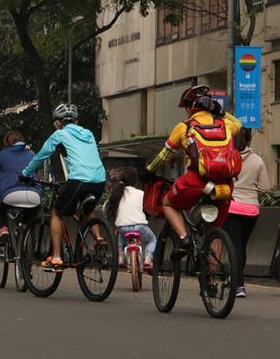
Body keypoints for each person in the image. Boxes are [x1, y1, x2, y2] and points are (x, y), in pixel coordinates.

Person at [145, 85, 243, 254]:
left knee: (168, 204)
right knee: (215, 232)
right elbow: (239, 124)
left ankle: (184, 239)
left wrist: (149, 170)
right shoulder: (225, 124)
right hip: (225, 185)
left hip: (196, 182)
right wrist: (221, 112)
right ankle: (213, 279)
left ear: (190, 108)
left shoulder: (184, 126)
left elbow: (165, 155)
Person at [21, 103, 107, 272]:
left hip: (78, 180)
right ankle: (99, 239)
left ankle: (57, 258)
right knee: (87, 210)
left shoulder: (59, 134)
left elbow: (41, 157)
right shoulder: (88, 133)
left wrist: (26, 172)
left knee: (56, 213)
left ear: (58, 122)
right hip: (99, 181)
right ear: (76, 120)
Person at [224, 128, 270, 298]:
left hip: (231, 206)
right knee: (241, 246)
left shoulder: (227, 158)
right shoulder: (257, 160)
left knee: (234, 246)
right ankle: (236, 280)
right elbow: (265, 188)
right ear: (249, 140)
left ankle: (238, 285)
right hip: (251, 210)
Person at [0, 130, 41, 227]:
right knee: (30, 218)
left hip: (8, 194)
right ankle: (28, 231)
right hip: (32, 194)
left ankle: (3, 229)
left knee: (1, 210)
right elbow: (35, 173)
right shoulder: (32, 156)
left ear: (7, 142)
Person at [105, 167, 156, 270]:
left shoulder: (117, 193)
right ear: (135, 182)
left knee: (120, 233)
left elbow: (105, 208)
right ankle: (148, 259)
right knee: (152, 239)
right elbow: (147, 208)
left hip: (122, 227)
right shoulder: (141, 193)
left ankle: (120, 256)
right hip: (140, 227)